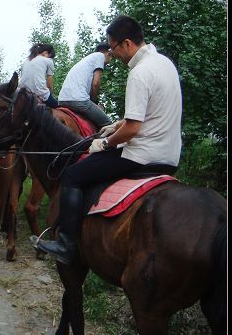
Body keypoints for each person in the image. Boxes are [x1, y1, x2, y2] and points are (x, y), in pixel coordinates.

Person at [33, 15, 182, 264]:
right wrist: (115, 125)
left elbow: (134, 129)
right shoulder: (164, 63)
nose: (113, 55)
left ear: (126, 43)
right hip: (170, 155)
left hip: (142, 156)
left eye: (112, 48)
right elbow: (146, 116)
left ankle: (66, 245)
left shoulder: (139, 73)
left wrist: (105, 143)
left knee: (73, 176)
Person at [58, 43, 112, 128]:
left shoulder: (86, 60)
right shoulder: (100, 56)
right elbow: (96, 83)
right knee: (108, 125)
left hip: (62, 100)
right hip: (78, 100)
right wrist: (94, 101)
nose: (110, 61)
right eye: (111, 57)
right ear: (109, 53)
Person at [19, 43, 58, 108]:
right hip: (39, 94)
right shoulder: (48, 61)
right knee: (58, 107)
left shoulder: (27, 60)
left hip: (22, 93)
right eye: (50, 56)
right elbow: (49, 85)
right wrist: (50, 94)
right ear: (46, 53)